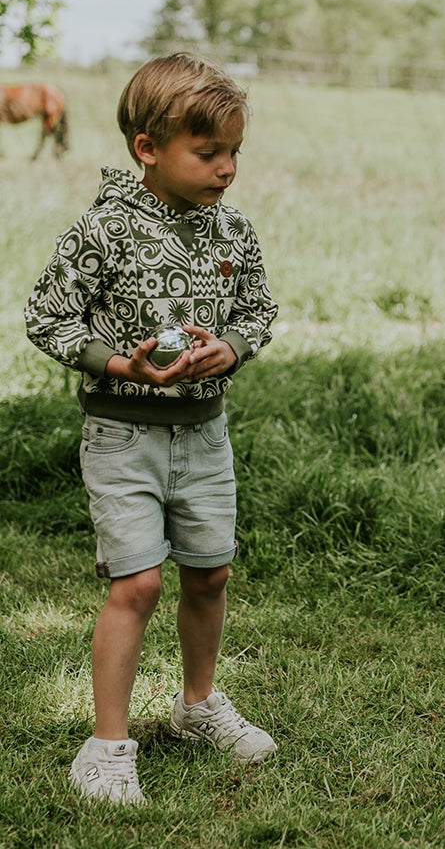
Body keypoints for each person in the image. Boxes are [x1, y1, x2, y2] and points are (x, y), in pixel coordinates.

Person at [25, 53, 279, 805]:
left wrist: (230, 348)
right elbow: (46, 315)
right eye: (209, 153)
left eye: (234, 152)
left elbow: (259, 309)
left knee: (211, 572)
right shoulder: (103, 229)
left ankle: (198, 706)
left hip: (205, 436)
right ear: (148, 149)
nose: (228, 169)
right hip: (122, 436)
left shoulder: (233, 229)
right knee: (136, 583)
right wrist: (120, 364)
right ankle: (106, 746)